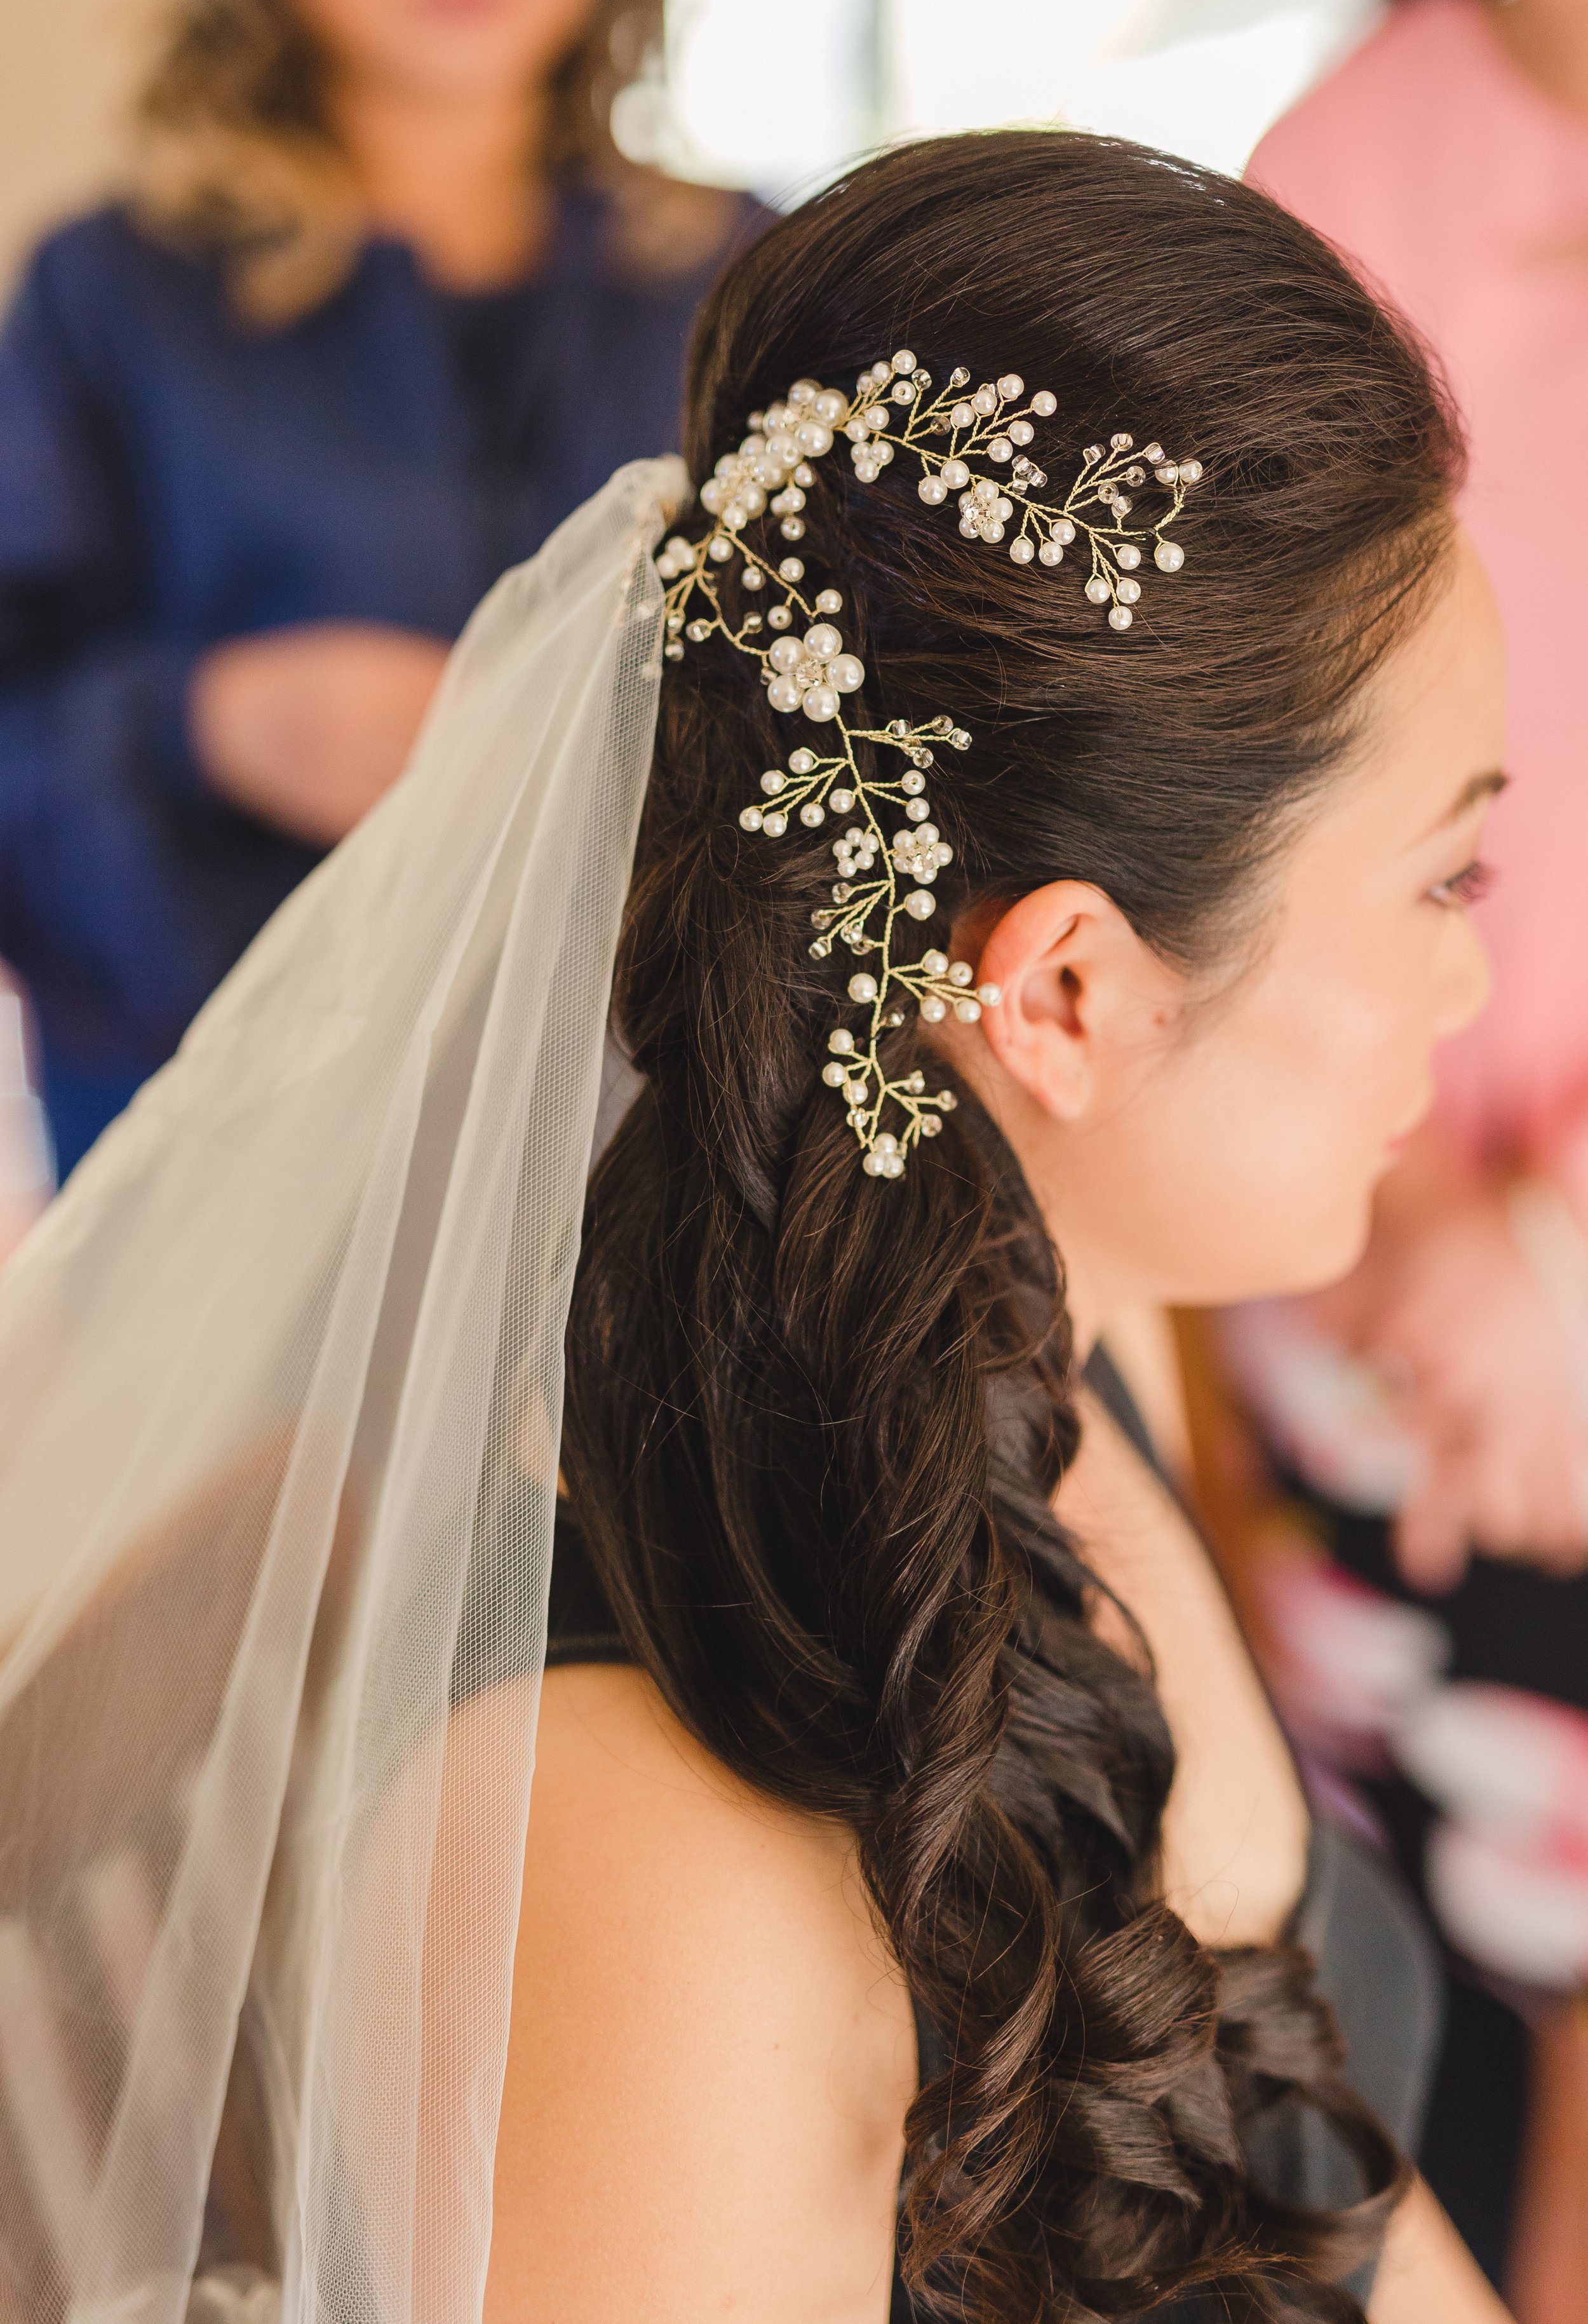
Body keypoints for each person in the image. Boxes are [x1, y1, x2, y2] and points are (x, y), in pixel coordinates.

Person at [0, 131, 1515, 2323]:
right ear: (1068, 988)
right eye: (1444, 880)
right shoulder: (638, 1869)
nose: (1479, 982)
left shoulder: (1034, 1336)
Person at [0, 0, 755, 1175]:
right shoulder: (109, 300)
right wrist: (211, 726)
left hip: (649, 1143)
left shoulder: (746, 281)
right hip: (230, 1144)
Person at [1238, 0, 1588, 2306]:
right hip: (1366, 1288)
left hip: (1525, 1290)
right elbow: (1243, 778)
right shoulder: (1335, 178)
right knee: (1384, 2014)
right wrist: (1399, 1241)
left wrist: (1563, 1253)